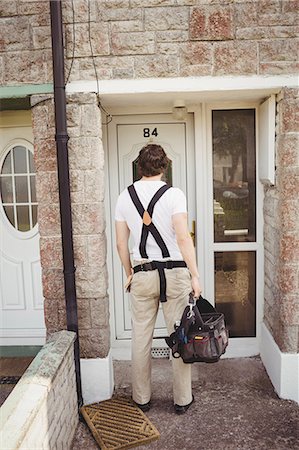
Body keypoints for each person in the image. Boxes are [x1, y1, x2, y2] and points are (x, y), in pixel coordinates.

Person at [115, 143, 202, 414]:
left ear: (139, 166)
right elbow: (182, 237)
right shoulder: (174, 194)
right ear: (165, 166)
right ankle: (182, 400)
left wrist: (129, 272)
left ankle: (141, 399)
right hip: (175, 273)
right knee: (180, 335)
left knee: (141, 337)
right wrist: (195, 275)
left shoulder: (124, 197)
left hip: (142, 273)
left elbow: (120, 243)